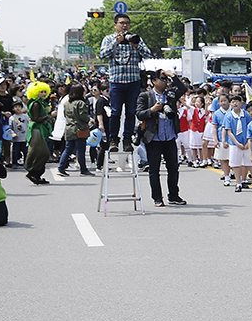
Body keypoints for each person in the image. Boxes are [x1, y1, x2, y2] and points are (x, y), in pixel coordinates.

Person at [99, 13, 151, 150]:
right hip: (116, 82)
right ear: (115, 25)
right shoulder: (108, 39)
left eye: (127, 23)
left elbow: (148, 54)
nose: (124, 25)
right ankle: (113, 140)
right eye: (121, 23)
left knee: (131, 112)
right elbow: (103, 54)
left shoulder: (134, 38)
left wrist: (136, 45)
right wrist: (116, 42)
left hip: (133, 81)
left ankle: (127, 139)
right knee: (115, 112)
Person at [136, 71, 187, 208]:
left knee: (173, 168)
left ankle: (174, 195)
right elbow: (139, 114)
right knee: (154, 170)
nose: (165, 82)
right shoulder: (145, 96)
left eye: (166, 79)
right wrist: (152, 109)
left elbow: (183, 88)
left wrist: (172, 75)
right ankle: (157, 197)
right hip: (154, 138)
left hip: (169, 137)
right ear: (153, 81)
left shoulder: (170, 94)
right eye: (162, 79)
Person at [55, 83, 92, 179]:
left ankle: (61, 168)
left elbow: (65, 114)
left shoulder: (67, 103)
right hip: (79, 129)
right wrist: (89, 120)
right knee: (81, 150)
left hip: (68, 128)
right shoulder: (80, 103)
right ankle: (83, 169)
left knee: (67, 149)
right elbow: (83, 116)